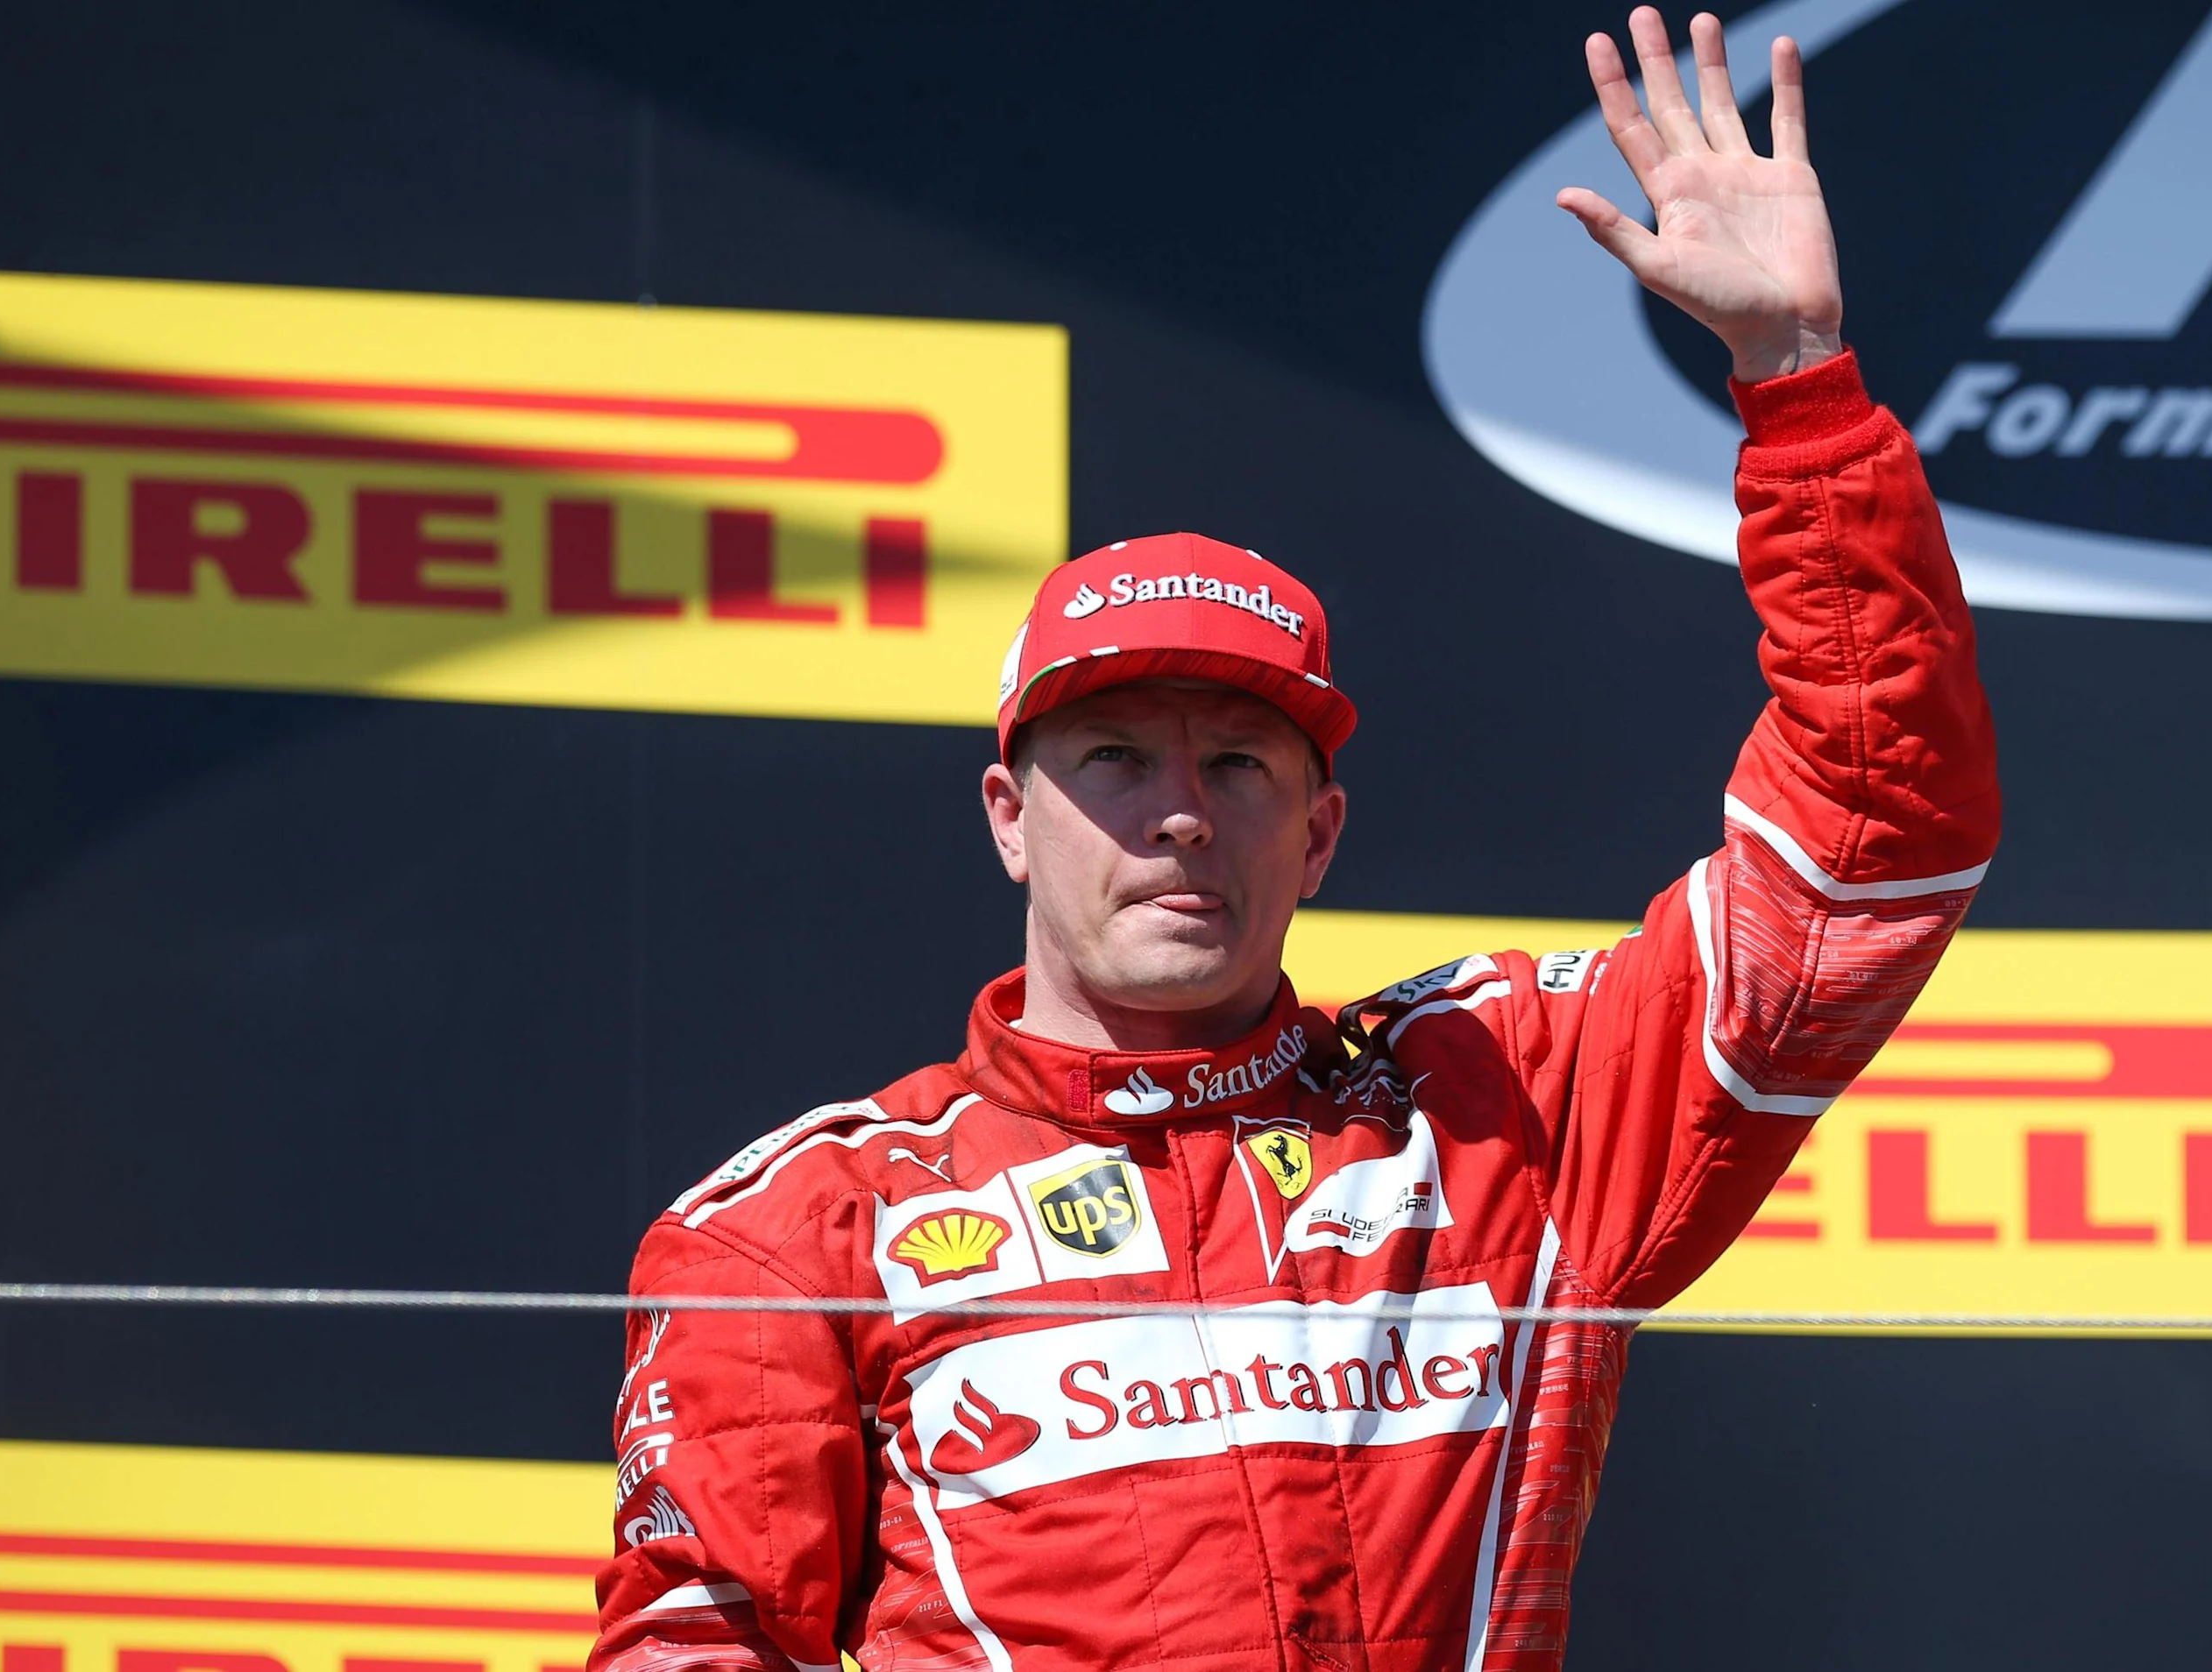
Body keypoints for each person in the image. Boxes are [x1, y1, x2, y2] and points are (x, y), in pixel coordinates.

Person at [591, 10, 1998, 1669]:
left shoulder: (1507, 1108)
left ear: (1320, 834)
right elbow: (695, 1646)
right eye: (1112, 758)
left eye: (1241, 765)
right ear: (1008, 822)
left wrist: (1798, 387)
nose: (1181, 811)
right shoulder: (802, 1223)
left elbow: (1879, 840)